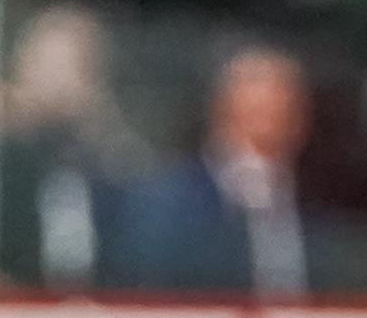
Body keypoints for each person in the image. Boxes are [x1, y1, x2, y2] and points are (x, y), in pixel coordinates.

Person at [106, 49, 315, 298]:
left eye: (283, 112)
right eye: (255, 114)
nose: (269, 130)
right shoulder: (166, 204)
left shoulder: (318, 203)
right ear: (221, 113)